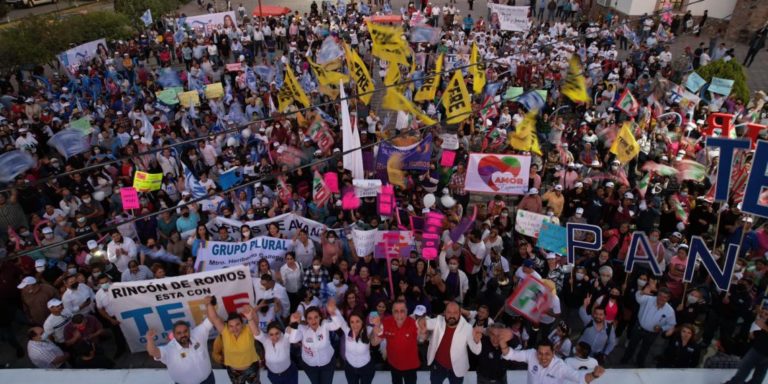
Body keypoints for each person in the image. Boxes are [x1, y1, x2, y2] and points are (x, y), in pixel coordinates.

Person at [418, 301, 483, 383]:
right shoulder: (438, 321)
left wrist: (477, 341)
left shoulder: (467, 328)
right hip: (438, 366)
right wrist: (420, 321)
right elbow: (421, 323)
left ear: (460, 313)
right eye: (449, 312)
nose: (452, 315)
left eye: (455, 312)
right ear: (444, 313)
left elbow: (476, 351)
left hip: (457, 369)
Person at [499, 337, 605, 384]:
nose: (543, 357)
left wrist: (594, 375)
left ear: (553, 353)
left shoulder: (561, 366)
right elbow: (511, 354)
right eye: (540, 353)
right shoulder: (531, 354)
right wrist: (502, 341)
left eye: (547, 354)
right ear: (536, 352)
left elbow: (579, 378)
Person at [204, 296, 260, 384]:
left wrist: (250, 312)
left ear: (242, 324)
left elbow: (256, 330)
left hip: (252, 368)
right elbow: (214, 318)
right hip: (234, 372)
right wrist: (209, 304)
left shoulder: (248, 329)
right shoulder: (225, 331)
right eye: (231, 326)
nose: (235, 328)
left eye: (237, 324)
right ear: (227, 326)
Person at [621, 280, 676, 367]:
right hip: (639, 328)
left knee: (645, 349)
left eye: (665, 297)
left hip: (652, 333)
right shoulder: (648, 299)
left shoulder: (670, 311)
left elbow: (671, 324)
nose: (661, 298)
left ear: (668, 299)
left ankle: (639, 363)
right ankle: (625, 359)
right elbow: (638, 297)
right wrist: (642, 292)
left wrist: (662, 328)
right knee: (632, 345)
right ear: (657, 295)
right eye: (660, 295)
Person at [146, 319, 216, 384]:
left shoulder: (197, 334)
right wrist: (149, 339)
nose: (183, 335)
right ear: (174, 335)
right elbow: (153, 352)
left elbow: (211, 319)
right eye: (179, 333)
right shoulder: (168, 349)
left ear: (189, 331)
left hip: (209, 380)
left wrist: (210, 305)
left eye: (185, 331)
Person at [245, 306, 301, 384]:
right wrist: (249, 318)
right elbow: (256, 332)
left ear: (280, 332)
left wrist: (293, 322)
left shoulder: (285, 338)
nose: (274, 337)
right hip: (273, 375)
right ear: (268, 334)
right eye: (271, 334)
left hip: (289, 373)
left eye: (277, 333)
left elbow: (289, 328)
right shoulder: (265, 340)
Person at [293, 300, 342, 384]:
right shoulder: (302, 328)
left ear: (320, 317)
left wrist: (332, 312)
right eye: (310, 318)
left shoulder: (324, 325)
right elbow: (293, 339)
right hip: (309, 366)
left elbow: (337, 325)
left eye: (316, 317)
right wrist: (294, 324)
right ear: (306, 320)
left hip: (327, 364)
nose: (313, 320)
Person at [328, 307, 379, 384]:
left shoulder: (368, 330)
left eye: (357, 321)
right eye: (352, 322)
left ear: (362, 321)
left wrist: (377, 326)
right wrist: (333, 309)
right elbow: (339, 319)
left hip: (366, 368)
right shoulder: (347, 330)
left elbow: (375, 342)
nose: (355, 325)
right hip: (350, 368)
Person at [374, 300, 421, 384]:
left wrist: (424, 332)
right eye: (396, 311)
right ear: (392, 312)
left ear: (407, 311)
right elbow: (374, 342)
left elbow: (422, 338)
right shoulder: (386, 322)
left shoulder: (414, 323)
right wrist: (375, 331)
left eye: (402, 311)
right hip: (393, 365)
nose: (399, 315)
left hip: (411, 366)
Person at [724, 305, 768, 384]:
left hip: (760, 349)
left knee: (744, 369)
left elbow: (764, 327)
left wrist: (764, 326)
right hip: (760, 345)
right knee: (758, 374)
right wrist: (756, 333)